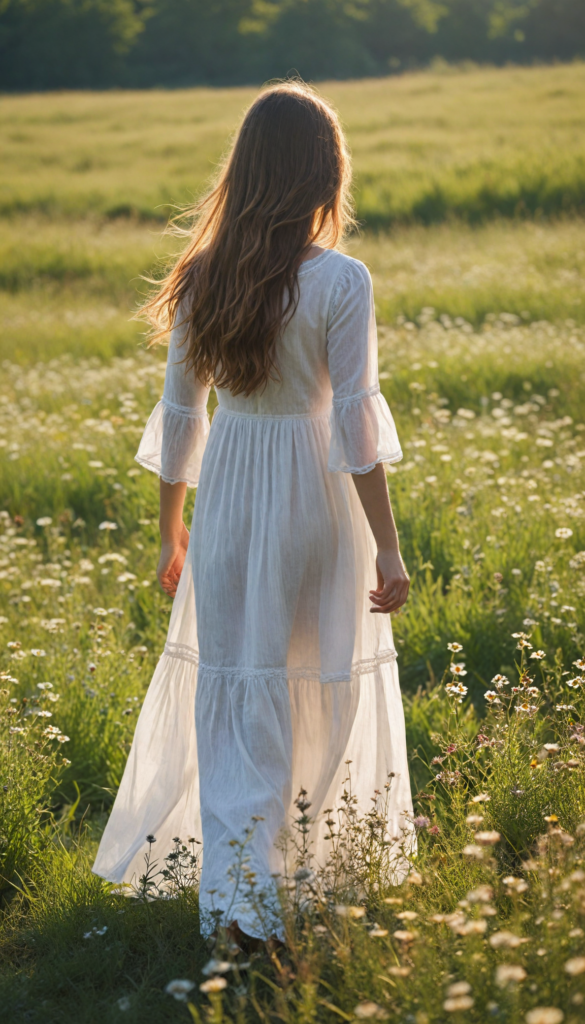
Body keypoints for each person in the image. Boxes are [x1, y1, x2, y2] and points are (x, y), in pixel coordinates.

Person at [93, 81, 413, 948]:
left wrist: (171, 530)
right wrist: (388, 549)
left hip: (232, 493)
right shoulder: (342, 280)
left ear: (244, 169)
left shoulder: (203, 276)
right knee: (316, 685)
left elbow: (184, 416)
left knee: (237, 690)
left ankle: (245, 897)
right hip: (314, 498)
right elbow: (354, 426)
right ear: (324, 172)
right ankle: (270, 894)